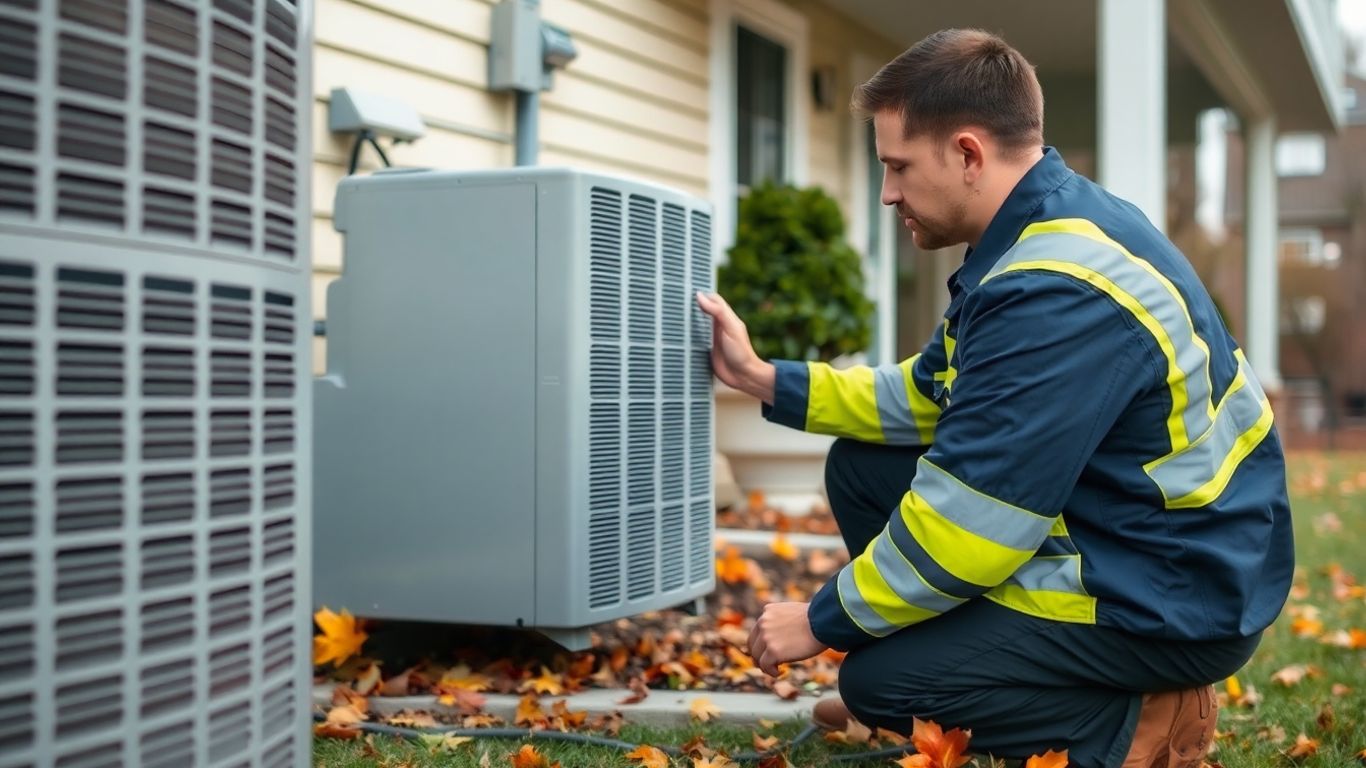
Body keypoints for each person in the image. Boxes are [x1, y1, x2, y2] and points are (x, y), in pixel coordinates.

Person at [695, 28, 1293, 768]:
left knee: (881, 680)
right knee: (864, 466)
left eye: (898, 167)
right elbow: (922, 395)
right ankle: (961, 676)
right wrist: (764, 378)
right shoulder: (1036, 236)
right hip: (1137, 535)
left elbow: (971, 525)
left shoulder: (1055, 293)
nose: (887, 193)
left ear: (969, 155)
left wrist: (823, 620)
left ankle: (1142, 717)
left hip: (1170, 593)